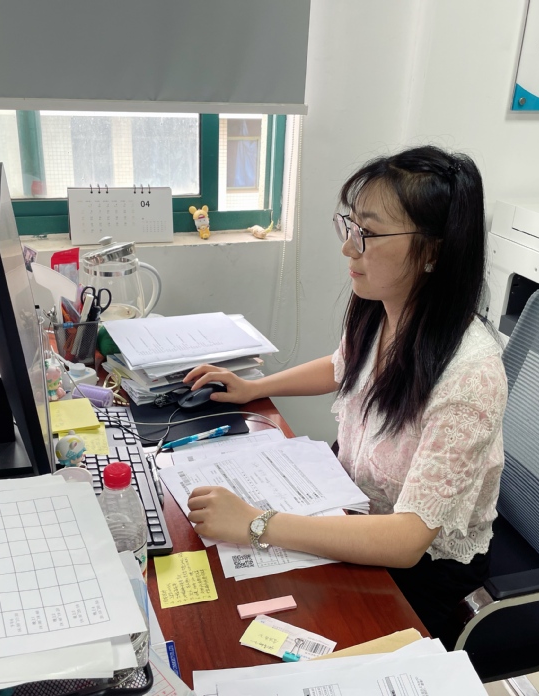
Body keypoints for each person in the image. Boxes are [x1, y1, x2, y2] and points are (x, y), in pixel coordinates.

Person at [183, 145, 507, 649]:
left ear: (433, 251)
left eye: (368, 234)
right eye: (350, 226)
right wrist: (255, 387)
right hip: (352, 509)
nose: (348, 249)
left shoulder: (470, 375)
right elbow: (344, 365)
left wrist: (257, 524)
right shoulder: (385, 307)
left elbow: (407, 540)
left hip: (420, 574)